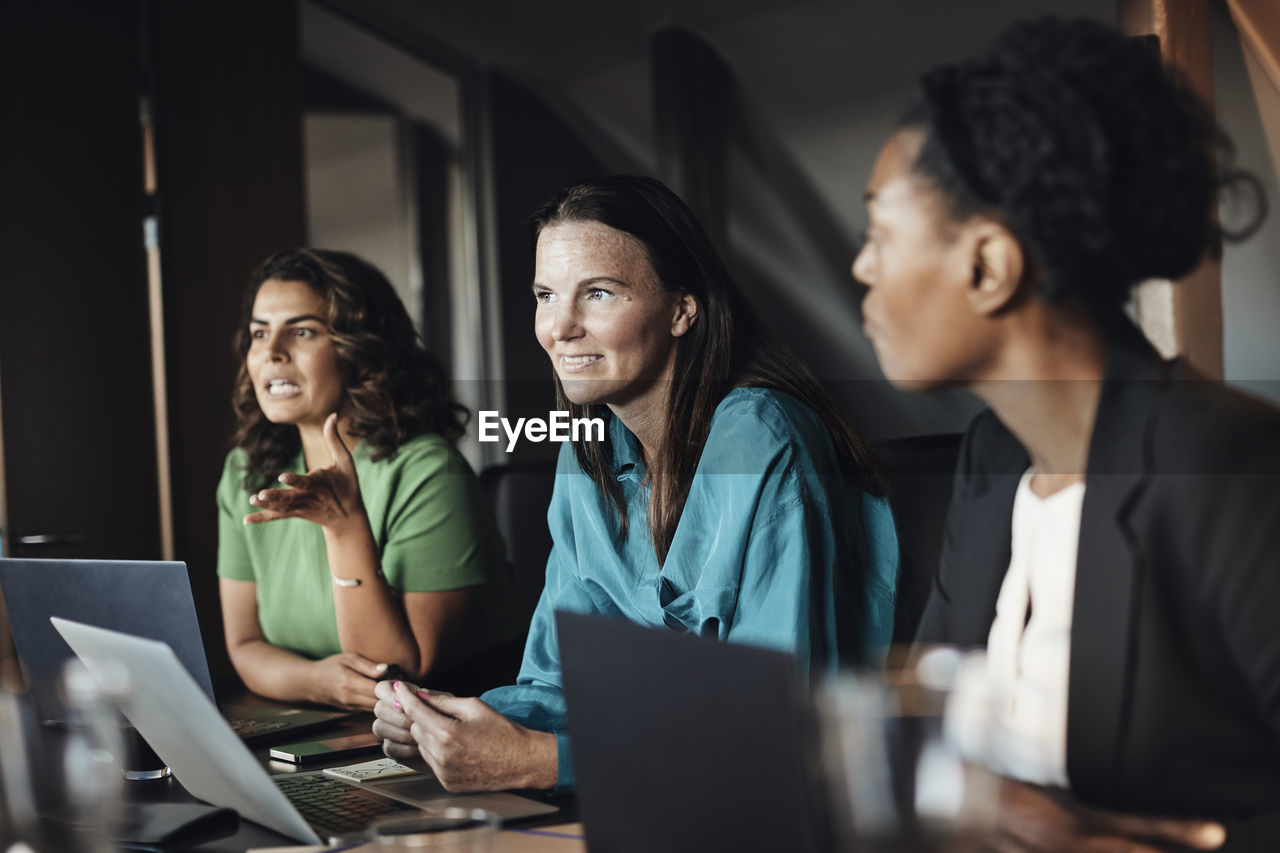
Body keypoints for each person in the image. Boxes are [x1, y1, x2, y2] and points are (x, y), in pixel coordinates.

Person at [852, 17, 1279, 852]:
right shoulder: (991, 461)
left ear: (988, 266)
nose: (862, 267)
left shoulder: (1232, 468)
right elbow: (939, 745)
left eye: (879, 234)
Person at [372, 175, 900, 793]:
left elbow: (770, 732)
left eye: (598, 293)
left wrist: (537, 760)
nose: (559, 326)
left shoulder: (760, 434)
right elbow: (558, 683)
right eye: (546, 294)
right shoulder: (586, 447)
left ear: (682, 310)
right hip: (648, 796)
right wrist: (457, 725)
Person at [217, 248, 525, 711]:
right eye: (259, 333)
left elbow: (398, 671)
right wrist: (316, 681)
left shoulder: (427, 471)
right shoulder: (245, 471)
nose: (272, 352)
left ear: (359, 350)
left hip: (441, 729)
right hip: (321, 723)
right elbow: (244, 646)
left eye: (301, 331)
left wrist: (343, 525)